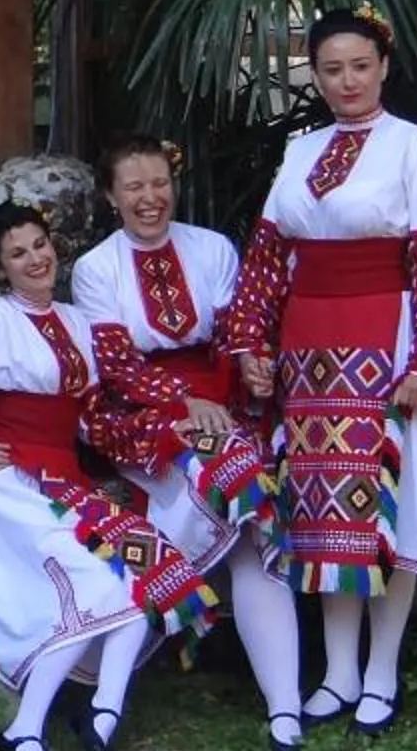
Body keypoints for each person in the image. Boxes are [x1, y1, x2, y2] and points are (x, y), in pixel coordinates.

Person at [0, 201, 222, 751]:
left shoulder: (78, 322)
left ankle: (99, 710)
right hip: (10, 482)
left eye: (39, 245)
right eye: (18, 253)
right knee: (98, 584)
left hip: (64, 477)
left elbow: (96, 415)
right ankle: (37, 725)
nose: (35, 259)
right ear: (1, 267)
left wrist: (171, 427)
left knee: (149, 570)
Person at [222, 9, 417, 751]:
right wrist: (247, 341)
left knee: (390, 508)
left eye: (360, 66)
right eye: (331, 69)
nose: (347, 82)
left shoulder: (413, 148)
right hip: (310, 347)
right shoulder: (300, 151)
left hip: (383, 340)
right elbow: (267, 256)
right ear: (316, 74)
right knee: (322, 509)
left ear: (383, 66)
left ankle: (383, 671)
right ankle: (337, 674)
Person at [69, 133, 273, 612]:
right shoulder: (95, 268)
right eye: (134, 186)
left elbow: (233, 335)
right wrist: (184, 400)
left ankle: (279, 686)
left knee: (254, 515)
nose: (150, 198)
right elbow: (117, 365)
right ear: (110, 196)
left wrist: (253, 367)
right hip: (139, 409)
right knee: (239, 476)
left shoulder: (212, 248)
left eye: (160, 183)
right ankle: (168, 588)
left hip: (220, 398)